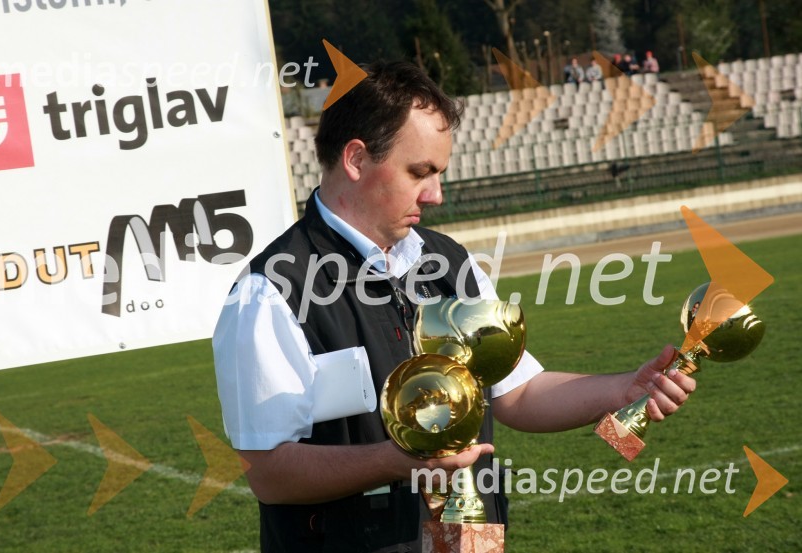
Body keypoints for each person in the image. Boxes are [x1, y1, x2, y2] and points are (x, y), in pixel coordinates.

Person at [212, 60, 695, 552]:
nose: (436, 194)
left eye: (439, 173)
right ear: (356, 159)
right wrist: (396, 460)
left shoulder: (451, 262)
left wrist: (621, 389)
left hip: (473, 540)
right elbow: (268, 473)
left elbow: (519, 392)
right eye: (419, 172)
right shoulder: (270, 291)